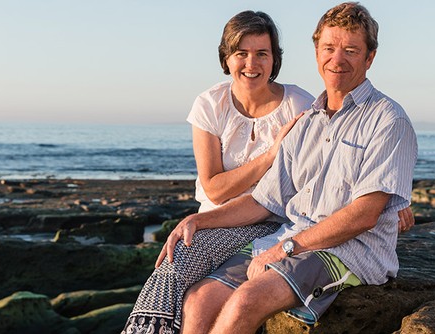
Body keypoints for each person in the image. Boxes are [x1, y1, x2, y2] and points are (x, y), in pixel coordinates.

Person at [170, 2, 418, 333]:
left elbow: (365, 214)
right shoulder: (305, 124)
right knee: (201, 298)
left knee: (246, 300)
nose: (337, 59)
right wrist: (198, 220)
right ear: (316, 52)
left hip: (350, 252)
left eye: (351, 50)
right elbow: (264, 201)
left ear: (369, 57)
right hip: (293, 237)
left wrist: (285, 249)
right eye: (328, 48)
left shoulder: (389, 120)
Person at [121, 10, 315, 334]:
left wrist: (393, 202)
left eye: (261, 54)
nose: (251, 64)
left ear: (274, 60)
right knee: (170, 273)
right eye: (241, 53)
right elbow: (214, 189)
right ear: (227, 58)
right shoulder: (210, 104)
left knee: (198, 302)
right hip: (213, 223)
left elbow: (325, 170)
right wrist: (270, 155)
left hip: (270, 225)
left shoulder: (299, 106)